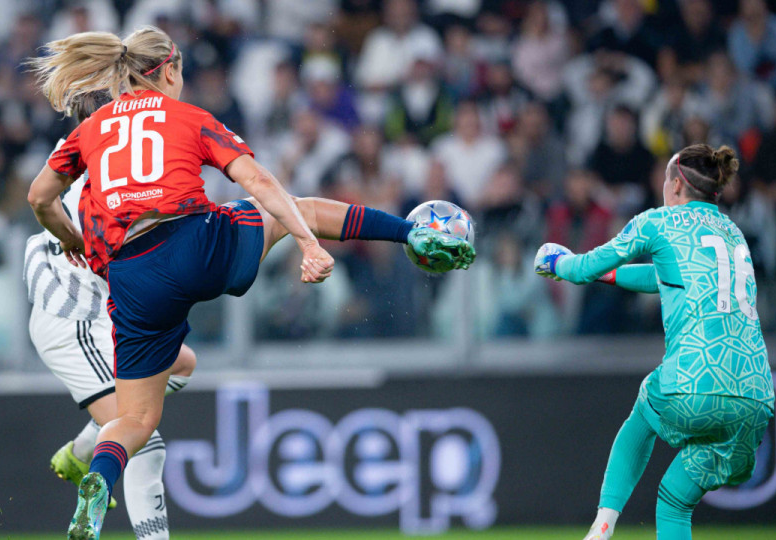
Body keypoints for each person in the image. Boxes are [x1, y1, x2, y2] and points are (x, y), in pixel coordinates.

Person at [26, 26, 474, 540]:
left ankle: (100, 480)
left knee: (135, 421)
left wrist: (71, 239)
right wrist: (306, 243)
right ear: (169, 70)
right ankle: (412, 233)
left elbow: (41, 196)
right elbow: (259, 182)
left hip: (132, 275)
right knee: (296, 209)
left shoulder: (92, 128)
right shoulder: (189, 117)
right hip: (195, 244)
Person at [533, 144, 774, 540]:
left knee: (645, 405)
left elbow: (582, 268)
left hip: (696, 381)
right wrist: (610, 277)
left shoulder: (658, 222)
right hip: (756, 396)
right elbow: (664, 278)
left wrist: (556, 261)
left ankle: (602, 526)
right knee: (675, 499)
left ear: (676, 184)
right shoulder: (733, 233)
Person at [25, 90, 195, 539]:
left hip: (101, 314)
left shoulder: (87, 163)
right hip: (76, 322)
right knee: (143, 442)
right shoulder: (110, 177)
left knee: (183, 364)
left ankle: (83, 451)